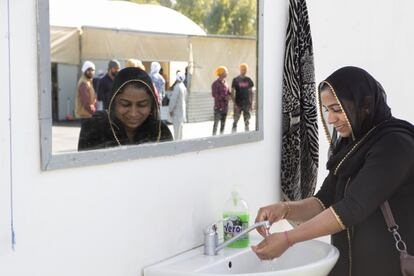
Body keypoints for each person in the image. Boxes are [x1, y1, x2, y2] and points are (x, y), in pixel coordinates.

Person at [253, 67, 414, 276]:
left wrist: (287, 239)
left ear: (365, 105)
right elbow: (324, 200)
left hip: (387, 265)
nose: (330, 119)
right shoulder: (351, 146)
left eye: (337, 109)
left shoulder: (395, 144)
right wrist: (285, 209)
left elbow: (352, 207)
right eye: (327, 110)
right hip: (350, 264)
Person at [78, 67, 173, 151]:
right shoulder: (95, 129)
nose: (133, 113)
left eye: (142, 105)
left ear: (152, 105)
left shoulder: (160, 132)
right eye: (125, 104)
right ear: (113, 102)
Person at [231, 63, 254, 132]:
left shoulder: (249, 80)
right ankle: (233, 133)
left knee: (247, 121)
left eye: (245, 70)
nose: (243, 71)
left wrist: (251, 103)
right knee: (235, 121)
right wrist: (234, 104)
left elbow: (251, 92)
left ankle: (247, 133)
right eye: (242, 69)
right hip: (238, 103)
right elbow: (232, 92)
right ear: (240, 70)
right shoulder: (235, 80)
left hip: (246, 104)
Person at [212, 66, 231, 136]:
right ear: (221, 73)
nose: (227, 73)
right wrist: (224, 97)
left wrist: (230, 96)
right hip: (218, 108)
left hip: (225, 108)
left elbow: (229, 92)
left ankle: (221, 137)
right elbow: (214, 95)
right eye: (225, 72)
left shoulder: (226, 83)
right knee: (216, 124)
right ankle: (213, 138)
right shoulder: (215, 84)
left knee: (223, 124)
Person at [168, 72, 187, 140]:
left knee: (176, 130)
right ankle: (180, 143)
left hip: (177, 112)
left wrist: (170, 110)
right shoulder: (183, 86)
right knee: (180, 129)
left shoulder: (177, 86)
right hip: (181, 111)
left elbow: (173, 99)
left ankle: (176, 144)